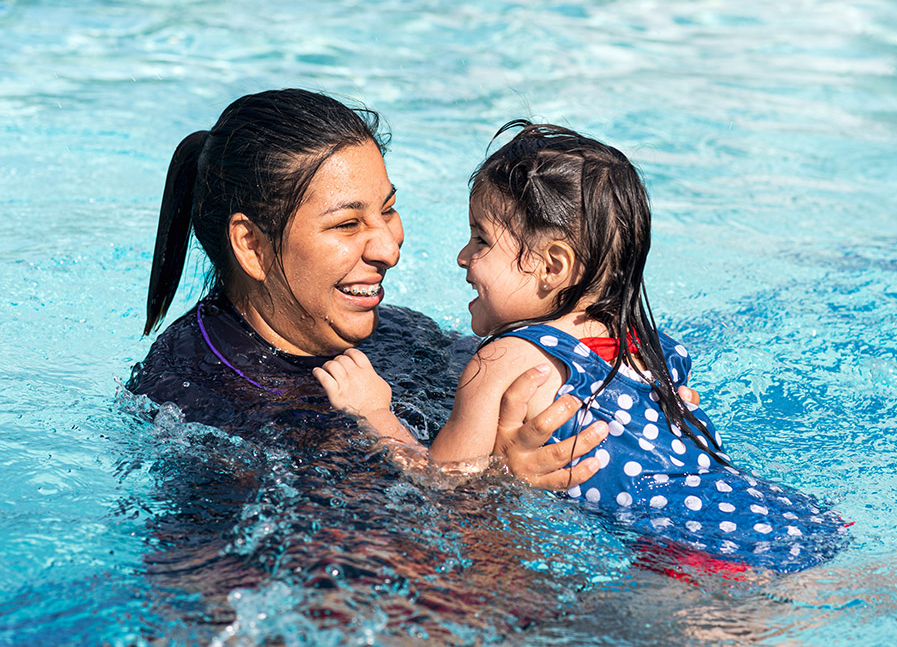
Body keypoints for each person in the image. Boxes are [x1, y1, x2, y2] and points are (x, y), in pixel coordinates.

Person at [128, 90, 714, 639]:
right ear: (252, 246)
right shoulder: (203, 400)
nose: (388, 247)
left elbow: (538, 381)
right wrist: (497, 483)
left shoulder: (394, 331)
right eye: (346, 224)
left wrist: (632, 404)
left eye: (388, 211)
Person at [316, 121, 850, 574]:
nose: (462, 256)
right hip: (778, 515)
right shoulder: (646, 345)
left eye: (480, 239)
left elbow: (446, 487)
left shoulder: (504, 360)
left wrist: (375, 413)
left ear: (553, 267)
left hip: (691, 557)